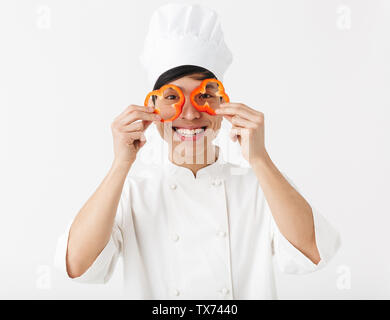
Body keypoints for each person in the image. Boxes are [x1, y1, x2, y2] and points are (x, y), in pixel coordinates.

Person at [54, 3, 340, 299]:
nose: (190, 114)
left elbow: (314, 253)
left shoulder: (258, 185)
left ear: (223, 105)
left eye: (205, 95)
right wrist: (120, 165)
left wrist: (259, 158)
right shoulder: (130, 191)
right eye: (172, 97)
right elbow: (78, 267)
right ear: (151, 109)